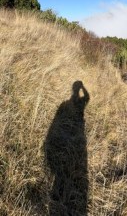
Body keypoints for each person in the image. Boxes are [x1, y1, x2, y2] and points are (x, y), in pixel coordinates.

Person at [44, 81, 90, 215]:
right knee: (76, 159)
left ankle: (64, 192)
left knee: (69, 160)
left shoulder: (65, 104)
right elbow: (87, 96)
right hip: (78, 132)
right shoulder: (80, 101)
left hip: (72, 134)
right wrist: (82, 87)